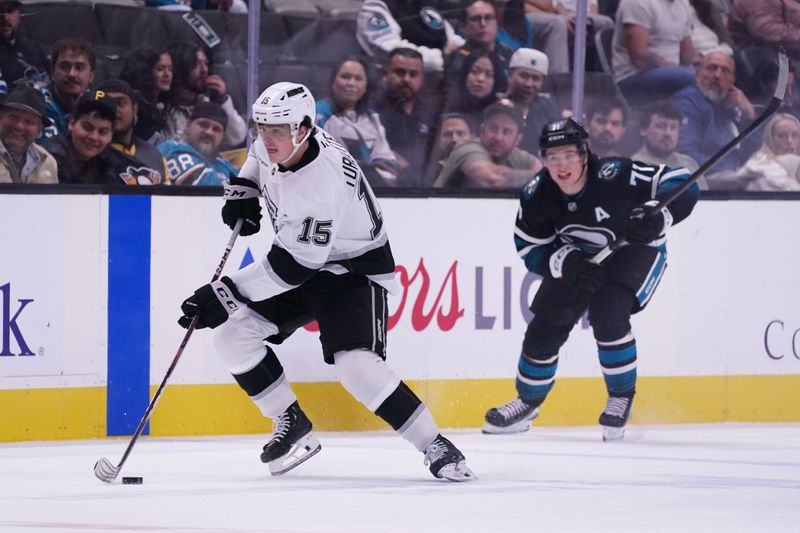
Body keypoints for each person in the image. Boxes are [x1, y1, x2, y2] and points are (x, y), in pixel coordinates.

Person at [176, 81, 475, 481]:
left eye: (277, 131)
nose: (267, 139)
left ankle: (435, 443)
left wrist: (225, 293)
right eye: (261, 127)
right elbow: (255, 156)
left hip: (352, 272)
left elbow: (292, 269)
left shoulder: (319, 184)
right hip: (306, 259)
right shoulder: (283, 139)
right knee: (232, 338)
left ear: (302, 129)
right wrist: (244, 188)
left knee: (356, 367)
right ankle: (290, 420)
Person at [483, 117, 699, 440]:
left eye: (568, 155)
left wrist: (660, 214)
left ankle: (620, 397)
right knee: (545, 323)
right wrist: (566, 263)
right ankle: (527, 402)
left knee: (608, 313)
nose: (561, 165)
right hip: (580, 259)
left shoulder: (615, 175)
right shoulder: (537, 194)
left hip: (637, 251)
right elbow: (529, 246)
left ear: (584, 154)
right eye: (552, 158)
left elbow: (683, 181)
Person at [315, 56, 398, 186]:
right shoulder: (316, 114)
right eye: (345, 77)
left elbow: (388, 165)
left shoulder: (372, 119)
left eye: (358, 78)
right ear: (333, 81)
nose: (351, 83)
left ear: (366, 87)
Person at [671, 48, 756, 173]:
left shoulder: (732, 103)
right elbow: (685, 155)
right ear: (697, 74)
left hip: (738, 174)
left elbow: (757, 151)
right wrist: (730, 169)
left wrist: (749, 115)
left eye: (725, 71)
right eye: (711, 68)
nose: (717, 75)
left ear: (732, 81)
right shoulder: (687, 102)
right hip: (704, 179)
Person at [434, 102, 541, 187]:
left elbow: (545, 171)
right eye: (493, 129)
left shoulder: (516, 155)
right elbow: (492, 179)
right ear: (482, 131)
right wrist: (541, 178)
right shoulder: (466, 148)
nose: (498, 137)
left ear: (517, 139)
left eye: (506, 131)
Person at [164, 39, 247, 148]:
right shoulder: (162, 109)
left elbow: (237, 137)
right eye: (196, 63)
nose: (204, 70)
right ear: (180, 66)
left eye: (206, 63)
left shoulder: (207, 104)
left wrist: (221, 100)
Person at [612, 0, 699, 102]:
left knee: (716, 78)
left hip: (675, 75)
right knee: (695, 78)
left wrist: (709, 66)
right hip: (633, 77)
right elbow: (639, 57)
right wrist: (676, 70)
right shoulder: (637, 2)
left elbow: (688, 54)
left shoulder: (683, 4)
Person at [375, 47, 436, 186]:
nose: (406, 79)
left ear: (422, 78)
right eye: (399, 73)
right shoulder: (372, 111)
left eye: (413, 74)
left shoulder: (430, 111)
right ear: (385, 74)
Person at [356, 0, 465, 72]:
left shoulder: (424, 3)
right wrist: (442, 58)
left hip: (440, 80)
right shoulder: (374, 6)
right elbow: (392, 50)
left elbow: (449, 37)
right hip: (400, 84)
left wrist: (466, 50)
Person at [99, 79, 168, 185]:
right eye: (107, 103)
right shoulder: (92, 153)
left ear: (134, 109)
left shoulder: (156, 156)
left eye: (120, 103)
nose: (114, 109)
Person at [42, 90, 115, 184]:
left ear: (111, 136)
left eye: (103, 132)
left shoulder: (112, 162)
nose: (94, 137)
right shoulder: (47, 160)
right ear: (71, 123)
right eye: (87, 127)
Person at [499, 47, 562, 154]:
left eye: (536, 78)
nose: (529, 84)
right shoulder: (497, 105)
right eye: (523, 76)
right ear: (510, 75)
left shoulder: (547, 108)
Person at [159, 101, 237, 186]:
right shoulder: (171, 149)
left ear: (222, 138)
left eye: (216, 129)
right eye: (203, 125)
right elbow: (207, 185)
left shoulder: (222, 165)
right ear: (187, 126)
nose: (209, 132)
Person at [38, 38, 96, 140]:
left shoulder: (96, 105)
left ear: (91, 76)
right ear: (52, 73)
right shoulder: (38, 104)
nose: (71, 74)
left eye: (79, 67)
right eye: (64, 67)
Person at [0, 85, 57, 183]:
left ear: (39, 130)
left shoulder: (48, 162)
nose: (19, 126)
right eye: (13, 116)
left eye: (28, 121)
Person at [631, 102, 703, 179]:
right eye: (660, 126)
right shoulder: (633, 169)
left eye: (673, 127)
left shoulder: (689, 163)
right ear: (643, 130)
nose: (668, 133)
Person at [119, 46, 173, 145]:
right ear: (145, 71)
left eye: (170, 69)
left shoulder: (159, 106)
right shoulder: (134, 104)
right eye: (160, 69)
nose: (167, 74)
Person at [445, 49, 505, 128]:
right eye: (475, 71)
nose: (480, 79)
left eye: (488, 74)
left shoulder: (501, 113)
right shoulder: (447, 104)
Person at [741, 113, 800, 192]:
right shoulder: (759, 175)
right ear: (770, 140)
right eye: (782, 136)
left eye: (795, 135)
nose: (789, 141)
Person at [0, 0, 48, 88]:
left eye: (10, 10)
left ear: (19, 14)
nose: (5, 17)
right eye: (0, 12)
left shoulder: (35, 50)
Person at [424, 112, 473, 184]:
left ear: (472, 139)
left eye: (460, 133)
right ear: (439, 141)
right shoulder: (426, 173)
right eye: (448, 134)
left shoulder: (486, 171)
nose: (454, 139)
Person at [522, 0, 570, 74]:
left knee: (591, 23)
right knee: (557, 23)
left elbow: (550, 6)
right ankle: (559, 80)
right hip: (516, 14)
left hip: (546, 14)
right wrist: (554, 14)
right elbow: (549, 6)